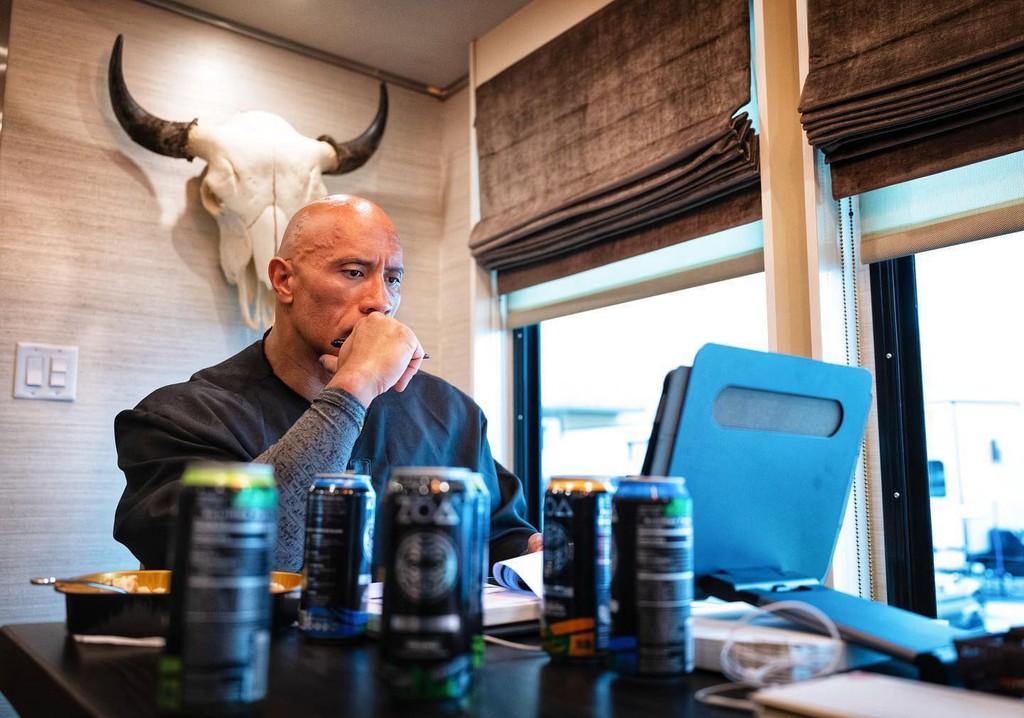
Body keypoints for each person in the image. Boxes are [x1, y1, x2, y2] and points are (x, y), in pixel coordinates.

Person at [114, 194, 541, 572]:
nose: (381, 301)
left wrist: (531, 554)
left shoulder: (453, 414)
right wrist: (356, 385)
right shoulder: (184, 418)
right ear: (284, 280)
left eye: (392, 278)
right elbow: (236, 559)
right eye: (354, 272)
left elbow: (498, 539)